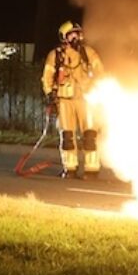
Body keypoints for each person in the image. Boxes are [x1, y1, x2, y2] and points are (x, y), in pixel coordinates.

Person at [42, 20, 105, 179]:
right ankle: (69, 168)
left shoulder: (88, 53)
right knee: (67, 136)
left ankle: (92, 169)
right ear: (64, 36)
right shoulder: (55, 55)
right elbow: (47, 76)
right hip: (64, 100)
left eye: (78, 33)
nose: (76, 37)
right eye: (72, 34)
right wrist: (50, 93)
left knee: (90, 135)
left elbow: (100, 72)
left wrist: (96, 88)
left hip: (86, 99)